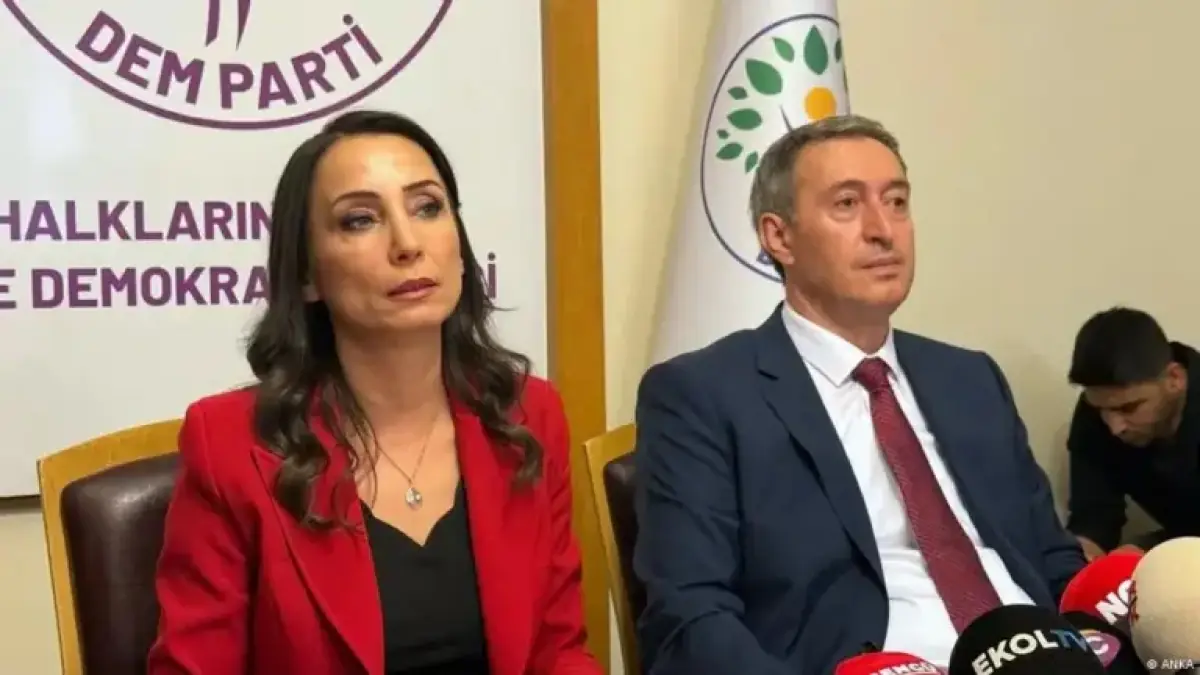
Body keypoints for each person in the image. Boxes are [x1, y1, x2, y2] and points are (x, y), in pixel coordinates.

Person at [147, 110, 601, 675]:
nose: (407, 243)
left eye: (428, 207)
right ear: (307, 275)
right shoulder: (231, 446)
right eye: (360, 220)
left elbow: (558, 650)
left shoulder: (528, 415)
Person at [632, 114, 1086, 673]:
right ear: (779, 237)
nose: (883, 229)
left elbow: (1053, 560)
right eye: (847, 204)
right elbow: (690, 618)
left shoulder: (970, 379)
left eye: (897, 202)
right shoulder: (703, 396)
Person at [1065, 307, 1200, 560]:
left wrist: (1155, 553)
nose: (1115, 427)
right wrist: (1083, 564)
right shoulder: (1093, 418)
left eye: (1129, 408)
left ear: (1174, 379)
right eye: (1101, 409)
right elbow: (1093, 520)